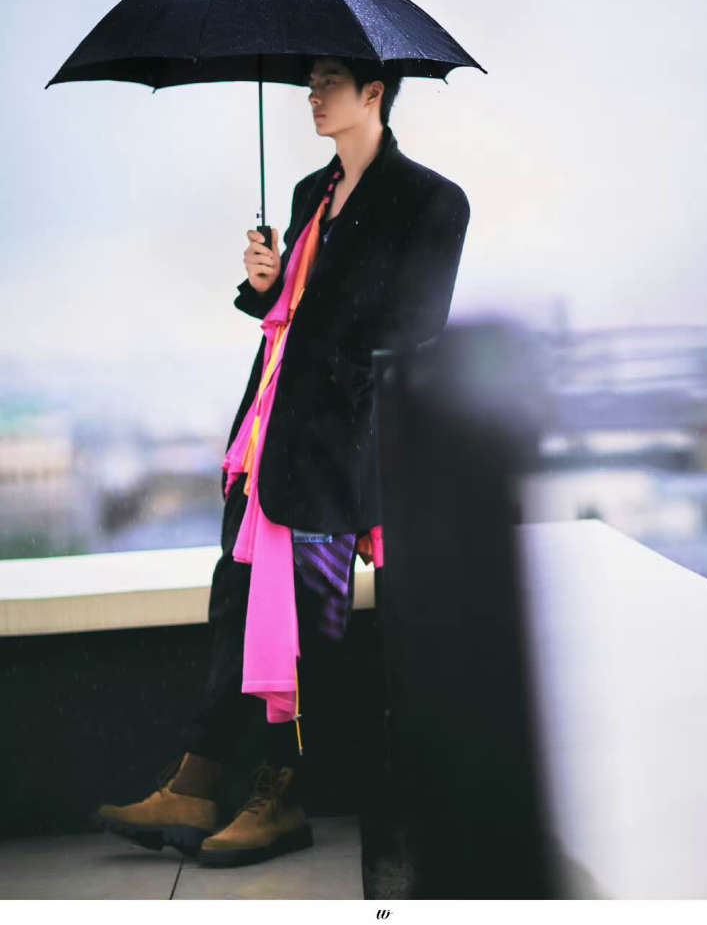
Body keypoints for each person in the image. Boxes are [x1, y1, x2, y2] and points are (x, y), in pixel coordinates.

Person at [94, 53, 471, 869]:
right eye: (311, 82)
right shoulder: (311, 194)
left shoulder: (431, 200)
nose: (312, 95)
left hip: (339, 448)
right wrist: (269, 283)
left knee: (307, 627)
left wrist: (319, 310)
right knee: (235, 604)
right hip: (267, 436)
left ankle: (283, 792)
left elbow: (417, 324)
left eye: (329, 81)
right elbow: (290, 315)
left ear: (374, 92)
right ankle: (196, 780)